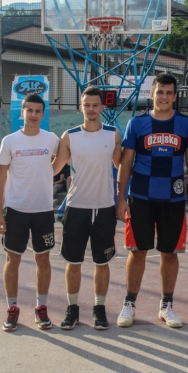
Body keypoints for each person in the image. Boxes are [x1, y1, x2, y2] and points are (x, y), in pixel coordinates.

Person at [116, 73, 188, 329]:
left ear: (175, 96)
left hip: (173, 197)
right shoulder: (136, 123)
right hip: (141, 197)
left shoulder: (186, 125)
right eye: (160, 92)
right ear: (151, 94)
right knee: (137, 251)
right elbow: (125, 162)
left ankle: (166, 305)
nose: (164, 97)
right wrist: (120, 198)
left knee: (169, 253)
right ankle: (129, 303)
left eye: (168, 92)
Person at [52, 86, 122, 330]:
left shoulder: (113, 135)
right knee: (73, 261)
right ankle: (72, 309)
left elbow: (122, 165)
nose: (91, 109)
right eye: (87, 105)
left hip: (104, 207)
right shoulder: (69, 136)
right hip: (76, 206)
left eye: (95, 105)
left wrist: (123, 199)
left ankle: (99, 309)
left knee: (102, 263)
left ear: (102, 107)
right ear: (80, 107)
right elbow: (53, 168)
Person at [0, 94, 59, 332]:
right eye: (28, 110)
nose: (33, 115)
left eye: (37, 111)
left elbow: (66, 159)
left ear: (43, 114)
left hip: (43, 210)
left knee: (43, 259)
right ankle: (12, 308)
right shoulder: (10, 141)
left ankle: (41, 307)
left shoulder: (52, 139)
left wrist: (48, 172)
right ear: (22, 113)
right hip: (16, 210)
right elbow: (0, 178)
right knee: (13, 259)